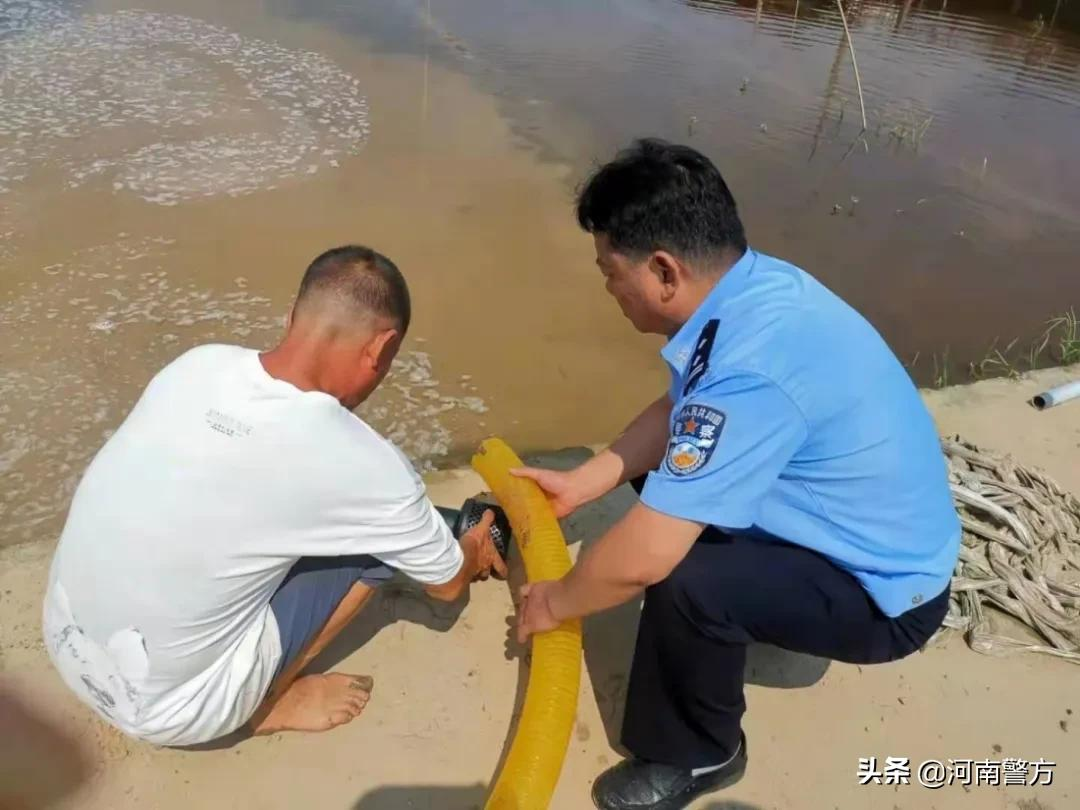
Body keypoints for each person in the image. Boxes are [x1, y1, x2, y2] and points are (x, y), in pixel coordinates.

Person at [512, 139, 961, 810]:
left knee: (686, 580)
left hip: (887, 595)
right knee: (669, 479)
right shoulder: (749, 290)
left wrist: (555, 601)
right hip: (846, 528)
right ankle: (732, 631)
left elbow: (645, 560)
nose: (607, 287)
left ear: (664, 271)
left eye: (610, 270)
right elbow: (680, 408)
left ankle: (700, 753)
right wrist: (590, 481)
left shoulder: (753, 369)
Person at [42, 245, 506, 747]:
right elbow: (445, 585)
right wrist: (472, 549)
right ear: (381, 348)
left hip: (66, 642)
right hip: (173, 710)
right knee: (371, 546)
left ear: (291, 317)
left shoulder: (197, 364)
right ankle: (270, 701)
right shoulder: (364, 466)